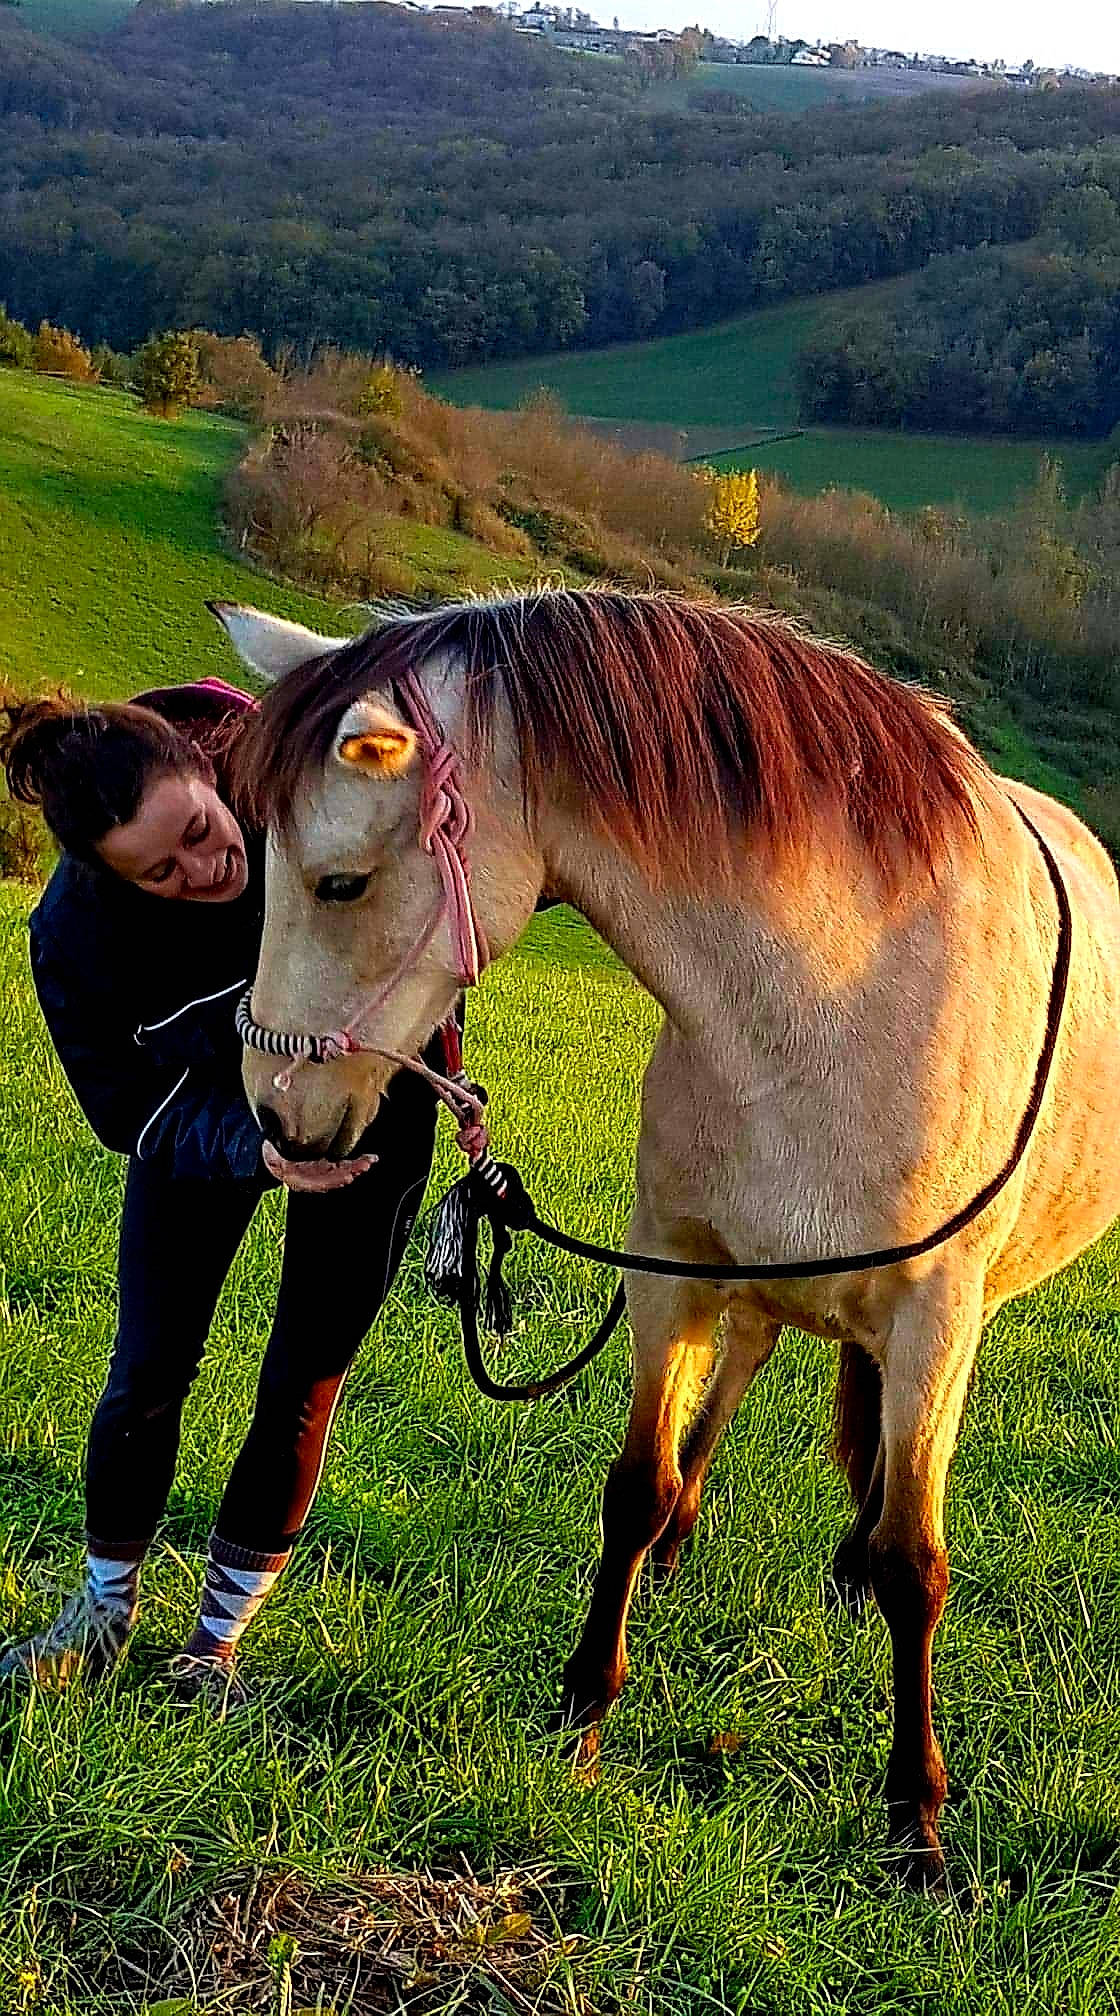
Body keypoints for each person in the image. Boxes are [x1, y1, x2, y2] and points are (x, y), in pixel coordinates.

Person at [0, 677, 441, 1710]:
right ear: (104, 874)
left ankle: (214, 1648)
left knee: (300, 1381)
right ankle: (101, 1615)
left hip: (371, 1097)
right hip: (205, 1120)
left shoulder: (300, 780)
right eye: (158, 872)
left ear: (208, 773)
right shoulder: (75, 935)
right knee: (149, 1366)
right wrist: (254, 1149)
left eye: (199, 831)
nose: (206, 870)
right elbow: (125, 1109)